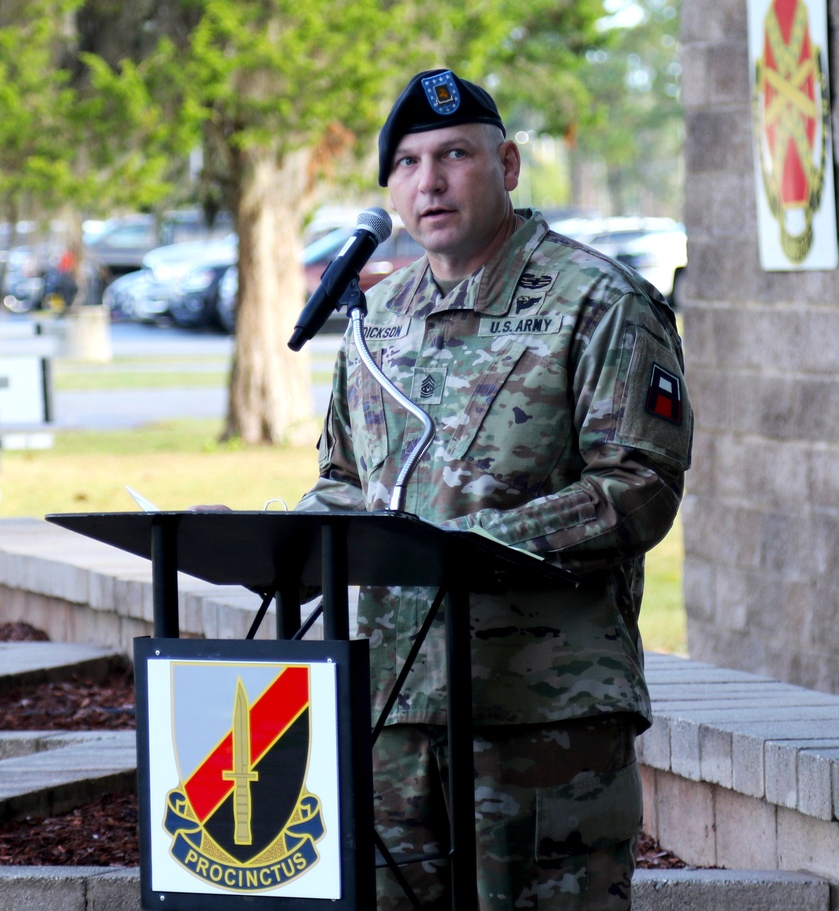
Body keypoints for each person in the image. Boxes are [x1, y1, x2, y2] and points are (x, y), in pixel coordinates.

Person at [293, 69, 693, 910]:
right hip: (393, 714)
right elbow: (344, 484)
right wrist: (270, 541)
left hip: (542, 716)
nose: (428, 181)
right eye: (405, 163)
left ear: (507, 165)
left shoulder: (600, 302)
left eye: (453, 155)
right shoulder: (378, 322)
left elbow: (638, 484)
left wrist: (474, 546)